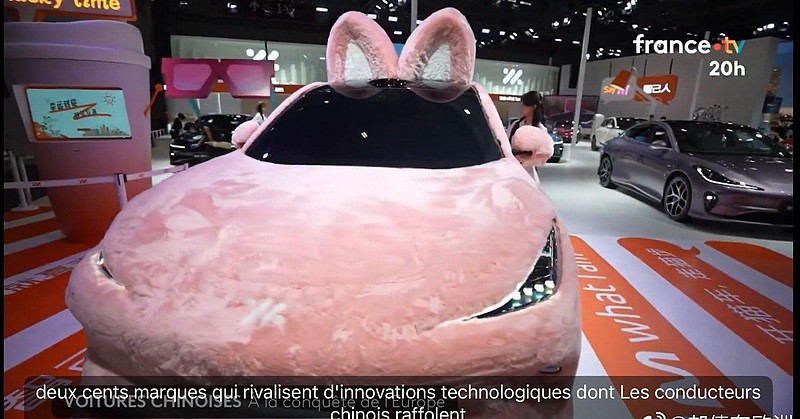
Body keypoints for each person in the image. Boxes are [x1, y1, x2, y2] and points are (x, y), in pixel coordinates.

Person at [508, 91, 548, 182]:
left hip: (529, 176)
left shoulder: (540, 129)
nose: (521, 108)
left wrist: (525, 158)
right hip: (512, 173)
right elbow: (505, 146)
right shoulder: (515, 125)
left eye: (524, 105)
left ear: (533, 107)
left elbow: (542, 159)